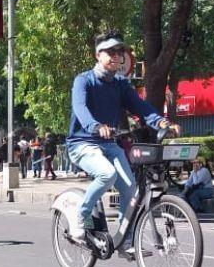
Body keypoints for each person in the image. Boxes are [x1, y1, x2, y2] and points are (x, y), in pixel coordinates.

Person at [66, 31, 178, 240]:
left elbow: (141, 107)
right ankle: (80, 216)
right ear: (98, 55)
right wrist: (96, 126)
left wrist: (161, 121)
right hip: (82, 143)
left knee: (130, 188)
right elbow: (80, 108)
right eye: (111, 51)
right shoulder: (84, 81)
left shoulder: (120, 84)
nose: (117, 56)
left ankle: (125, 240)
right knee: (107, 174)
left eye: (120, 51)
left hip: (108, 144)